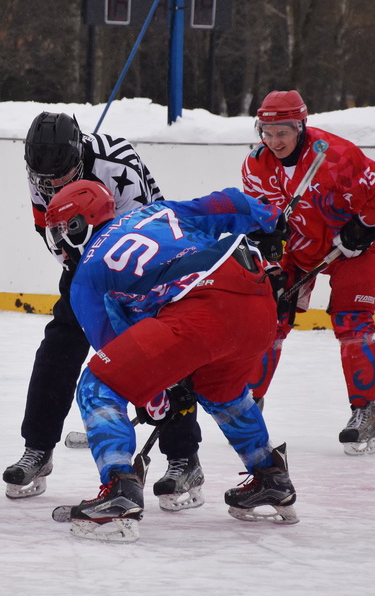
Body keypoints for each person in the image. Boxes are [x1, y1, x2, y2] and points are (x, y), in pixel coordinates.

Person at [45, 179, 299, 542]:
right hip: (257, 301)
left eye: (58, 229)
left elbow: (112, 348)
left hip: (202, 307)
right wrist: (270, 220)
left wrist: (156, 398)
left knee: (98, 384)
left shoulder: (86, 274)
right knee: (221, 390)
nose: (56, 239)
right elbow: (227, 204)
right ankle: (270, 477)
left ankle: (119, 489)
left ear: (77, 225)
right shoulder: (154, 211)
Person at [2, 111, 205, 511]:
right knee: (58, 345)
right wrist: (85, 278)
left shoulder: (119, 164)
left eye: (61, 176)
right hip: (87, 264)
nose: (52, 185)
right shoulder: (39, 171)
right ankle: (37, 449)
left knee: (160, 354)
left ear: (78, 155)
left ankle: (184, 457)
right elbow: (53, 233)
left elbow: (146, 232)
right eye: (45, 179)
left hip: (148, 263)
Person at [242, 90, 375, 455]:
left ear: (301, 125)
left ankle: (364, 411)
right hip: (298, 250)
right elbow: (259, 222)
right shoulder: (256, 164)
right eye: (266, 133)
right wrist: (271, 264)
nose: (274, 142)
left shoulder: (338, 156)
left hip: (352, 252)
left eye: (283, 132)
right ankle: (248, 405)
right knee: (267, 321)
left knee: (353, 325)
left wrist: (363, 225)